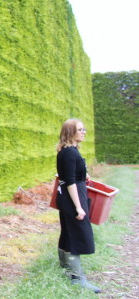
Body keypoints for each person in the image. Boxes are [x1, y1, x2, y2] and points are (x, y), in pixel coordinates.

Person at [55, 118, 101, 293]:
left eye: (84, 129)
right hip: (72, 197)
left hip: (73, 196)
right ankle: (77, 278)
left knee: (68, 232)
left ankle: (66, 267)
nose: (84, 132)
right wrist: (78, 207)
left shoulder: (71, 151)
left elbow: (73, 172)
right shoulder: (68, 153)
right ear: (69, 133)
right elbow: (69, 182)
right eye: (80, 129)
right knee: (77, 234)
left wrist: (85, 173)